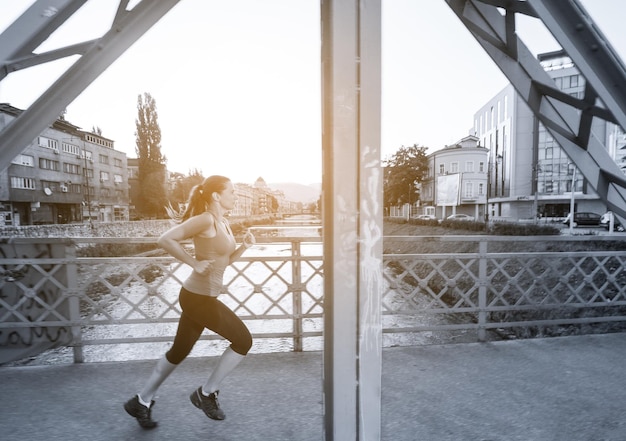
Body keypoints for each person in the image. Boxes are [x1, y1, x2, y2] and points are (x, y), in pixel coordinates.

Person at [124, 175, 256, 429]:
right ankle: (206, 394)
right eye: (232, 192)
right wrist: (193, 263)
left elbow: (222, 261)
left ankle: (141, 401)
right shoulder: (206, 219)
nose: (235, 196)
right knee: (243, 340)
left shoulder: (223, 222)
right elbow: (165, 239)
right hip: (198, 298)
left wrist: (244, 247)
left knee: (178, 352)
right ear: (216, 195)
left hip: (201, 296)